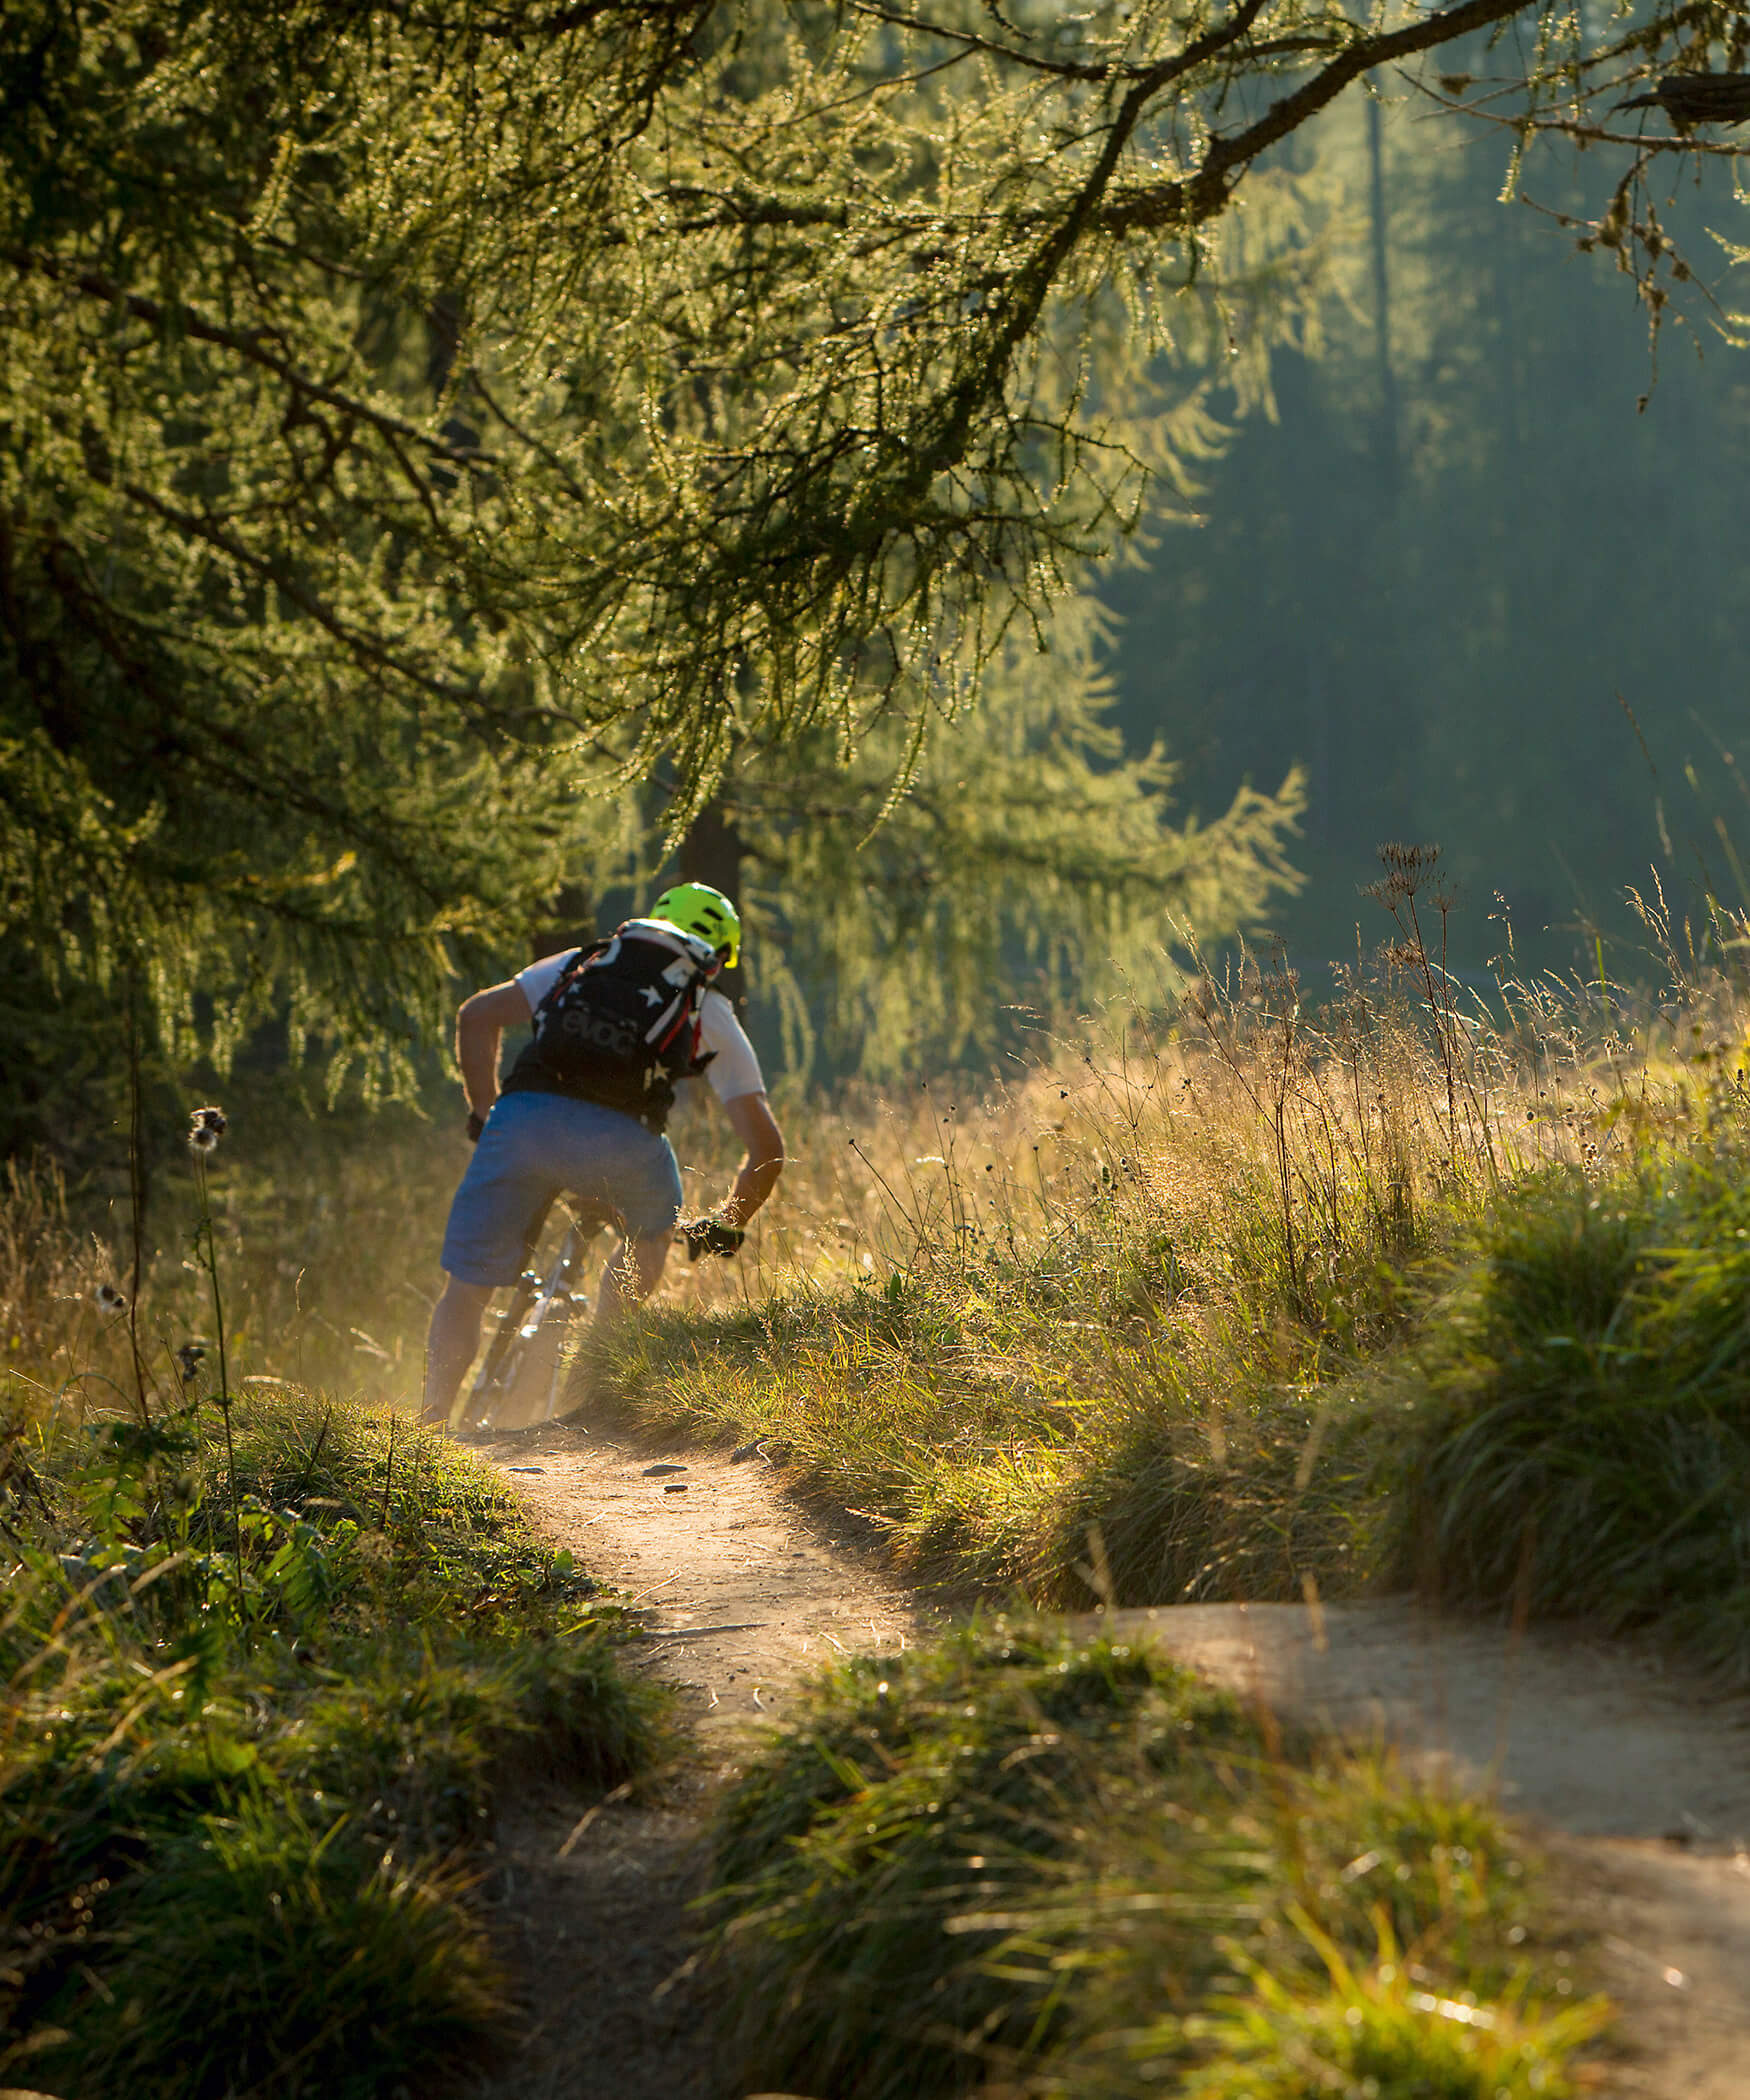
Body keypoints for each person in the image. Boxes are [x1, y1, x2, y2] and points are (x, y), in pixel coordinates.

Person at [420, 883, 784, 1427]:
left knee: (466, 1289)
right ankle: (594, 1387)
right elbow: (768, 1151)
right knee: (650, 1234)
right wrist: (728, 1224)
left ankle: (428, 1426)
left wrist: (487, 1115)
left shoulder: (585, 961)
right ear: (718, 955)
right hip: (625, 1145)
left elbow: (477, 1016)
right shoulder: (707, 1007)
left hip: (523, 1121)